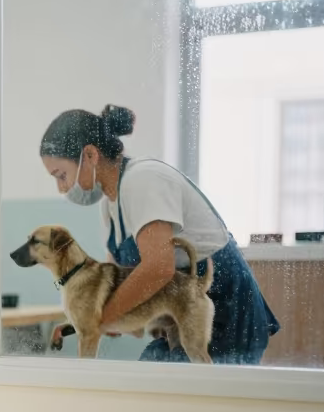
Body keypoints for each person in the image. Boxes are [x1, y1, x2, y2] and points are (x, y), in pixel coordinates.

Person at [39, 104, 279, 364]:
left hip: (223, 308)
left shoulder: (142, 181)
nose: (62, 189)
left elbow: (158, 269)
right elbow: (113, 281)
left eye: (61, 175)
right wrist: (79, 320)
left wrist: (103, 317)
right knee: (150, 377)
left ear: (90, 155)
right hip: (176, 317)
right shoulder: (109, 204)